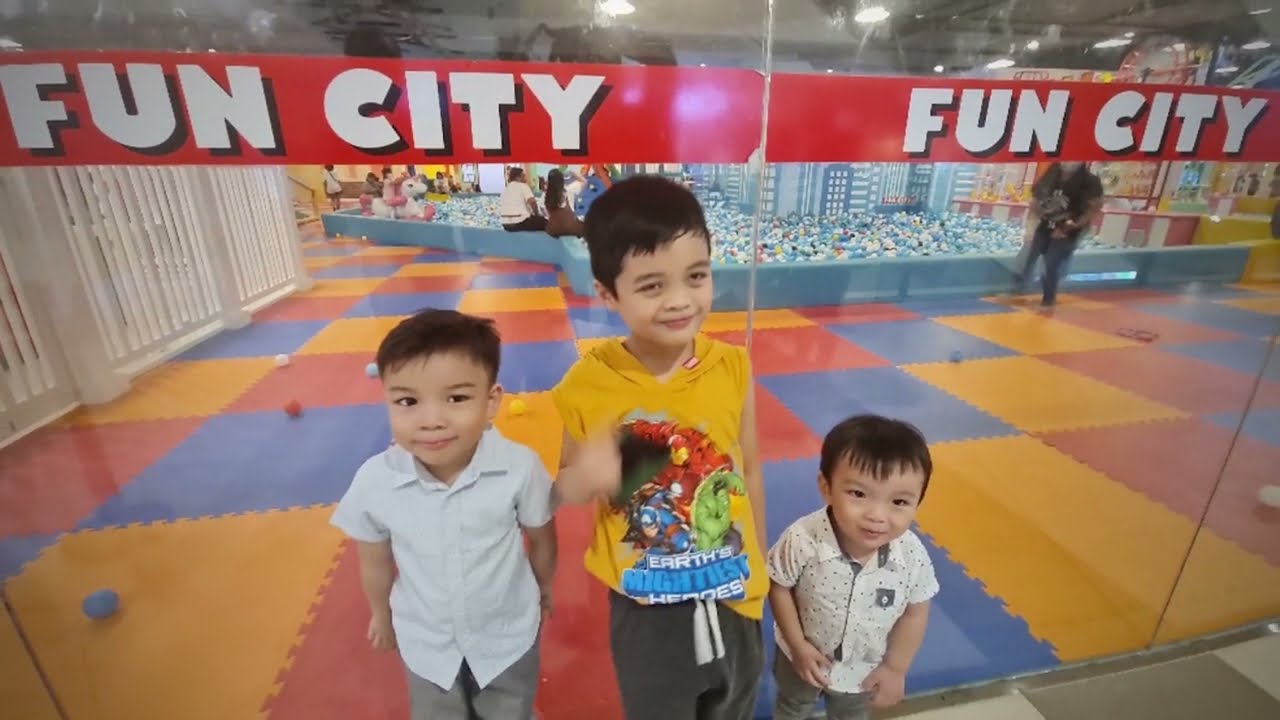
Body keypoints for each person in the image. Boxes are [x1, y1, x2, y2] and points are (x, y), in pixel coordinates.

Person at [551, 175, 768, 719]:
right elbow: (562, 488)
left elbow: (750, 469)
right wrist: (588, 475)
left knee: (733, 708)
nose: (680, 301)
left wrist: (759, 567)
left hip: (732, 593)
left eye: (696, 276)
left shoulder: (733, 367)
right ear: (607, 294)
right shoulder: (586, 385)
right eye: (651, 286)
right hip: (646, 608)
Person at [331, 309, 557, 720]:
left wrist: (543, 590)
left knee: (510, 709)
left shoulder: (520, 467)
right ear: (387, 400)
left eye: (456, 398)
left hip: (507, 634)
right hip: (426, 641)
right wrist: (381, 613)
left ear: (491, 402)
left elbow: (542, 536)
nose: (432, 421)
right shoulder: (375, 481)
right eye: (408, 401)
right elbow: (374, 559)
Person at [769, 415, 938, 720]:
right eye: (858, 494)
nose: (877, 515)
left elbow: (916, 611)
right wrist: (797, 645)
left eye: (899, 502)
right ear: (826, 487)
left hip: (863, 669)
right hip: (801, 656)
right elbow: (779, 586)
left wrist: (895, 668)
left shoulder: (912, 556)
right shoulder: (802, 538)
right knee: (793, 706)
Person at [1013, 161, 1104, 307]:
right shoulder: (1051, 174)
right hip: (1046, 223)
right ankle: (1018, 289)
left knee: (1052, 261)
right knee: (1030, 254)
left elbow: (1094, 207)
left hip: (1071, 227)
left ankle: (1048, 299)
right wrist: (1031, 226)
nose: (1069, 163)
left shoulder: (1089, 181)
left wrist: (1073, 226)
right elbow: (1035, 201)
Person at [498, 167, 548, 232]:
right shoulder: (523, 186)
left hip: (505, 224)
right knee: (547, 223)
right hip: (520, 222)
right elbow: (532, 202)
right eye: (523, 176)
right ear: (517, 177)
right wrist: (536, 214)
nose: (525, 179)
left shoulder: (505, 189)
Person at [543, 168, 585, 238]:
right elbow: (584, 181)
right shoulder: (569, 190)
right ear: (562, 180)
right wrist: (572, 172)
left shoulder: (547, 196)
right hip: (570, 228)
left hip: (553, 230)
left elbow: (547, 213)